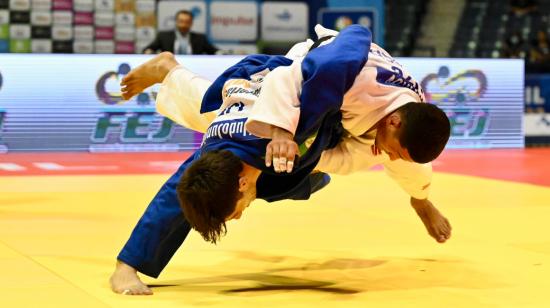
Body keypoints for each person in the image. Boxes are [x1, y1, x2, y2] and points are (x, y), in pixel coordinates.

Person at [111, 25, 452, 295]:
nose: (239, 216)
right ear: (394, 121)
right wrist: (129, 264)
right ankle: (169, 70)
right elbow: (291, 76)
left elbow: (356, 40)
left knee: (396, 160)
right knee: (218, 174)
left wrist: (284, 137)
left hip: (269, 95)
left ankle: (170, 71)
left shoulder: (410, 109)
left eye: (235, 213)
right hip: (296, 76)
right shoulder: (337, 78)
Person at [143, 10, 218, 55]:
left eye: (187, 22)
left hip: (193, 70)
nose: (184, 25)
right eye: (181, 21)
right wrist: (149, 52)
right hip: (170, 70)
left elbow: (214, 51)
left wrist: (222, 53)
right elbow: (148, 49)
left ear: (191, 23)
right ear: (176, 22)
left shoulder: (200, 38)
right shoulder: (163, 36)